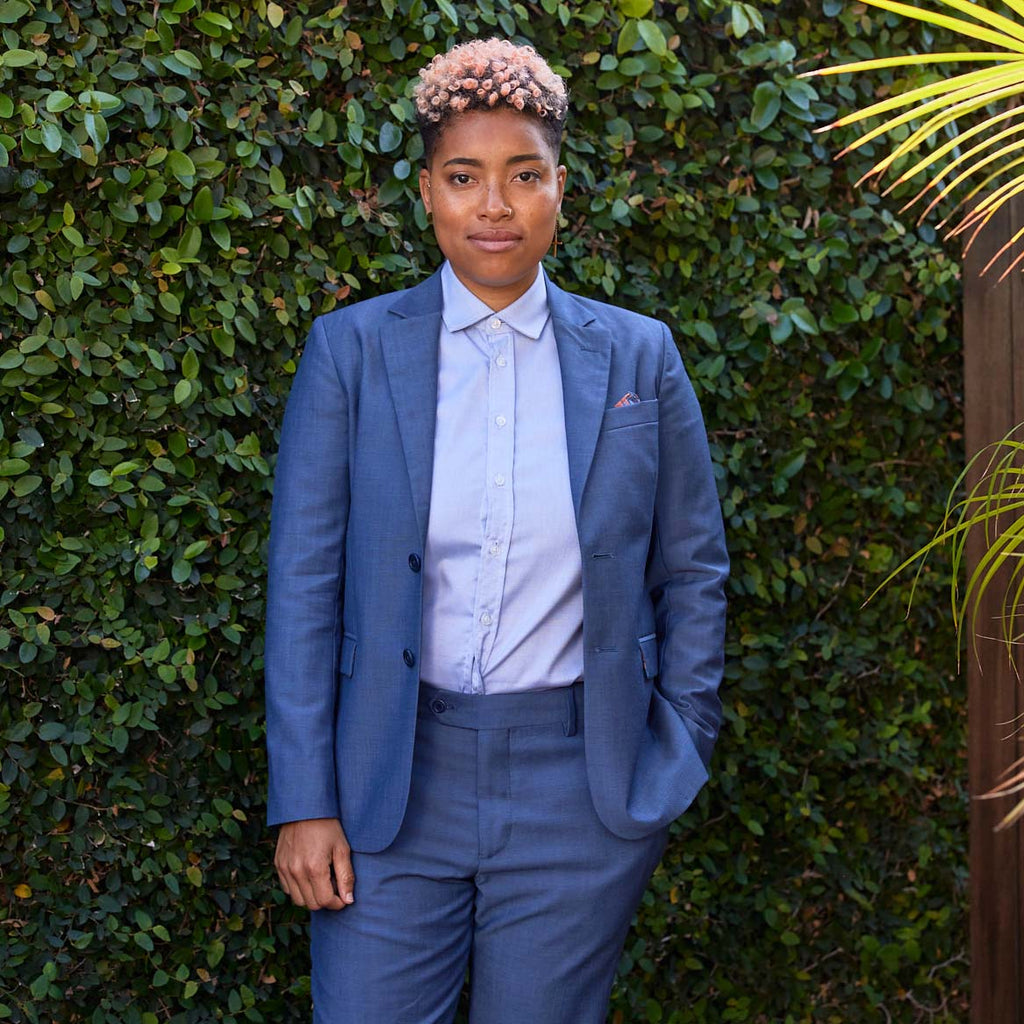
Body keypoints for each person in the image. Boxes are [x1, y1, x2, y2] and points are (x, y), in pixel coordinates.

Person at [264, 37, 728, 1024]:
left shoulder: (640, 356)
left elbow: (690, 568)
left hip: (577, 790)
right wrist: (304, 798)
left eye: (524, 176)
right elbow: (304, 581)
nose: (493, 205)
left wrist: (672, 748)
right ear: (427, 189)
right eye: (464, 176)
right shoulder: (350, 351)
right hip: (389, 782)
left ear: (560, 187)